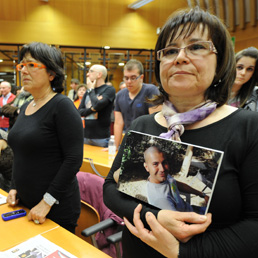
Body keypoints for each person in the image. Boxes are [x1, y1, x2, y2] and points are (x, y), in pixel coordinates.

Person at [103, 7, 258, 258]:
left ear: (220, 63)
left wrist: (181, 251)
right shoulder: (143, 125)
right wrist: (156, 216)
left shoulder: (249, 128)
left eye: (196, 47)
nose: (180, 58)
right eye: (171, 50)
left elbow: (254, 226)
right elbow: (110, 189)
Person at [7, 42, 84, 233]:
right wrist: (14, 186)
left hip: (54, 208)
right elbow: (20, 153)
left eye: (31, 65)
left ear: (51, 74)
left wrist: (47, 202)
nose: (24, 71)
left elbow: (73, 160)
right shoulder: (26, 107)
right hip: (25, 204)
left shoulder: (62, 106)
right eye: (22, 65)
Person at [114, 59, 161, 149]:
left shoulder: (151, 90)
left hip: (148, 143)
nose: (129, 81)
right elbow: (118, 123)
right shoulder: (120, 95)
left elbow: (156, 122)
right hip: (129, 141)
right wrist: (116, 147)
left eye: (133, 78)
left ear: (141, 77)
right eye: (126, 78)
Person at [143, 146, 207, 212]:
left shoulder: (163, 176)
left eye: (164, 162)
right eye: (155, 164)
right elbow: (179, 220)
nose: (162, 169)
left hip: (190, 209)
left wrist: (202, 195)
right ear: (146, 167)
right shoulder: (161, 200)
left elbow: (179, 185)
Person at [78, 64, 116, 147]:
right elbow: (80, 112)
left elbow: (97, 105)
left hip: (101, 138)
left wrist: (91, 90)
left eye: (91, 71)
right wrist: (93, 109)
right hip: (86, 136)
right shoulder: (88, 91)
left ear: (99, 75)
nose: (87, 74)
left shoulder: (109, 90)